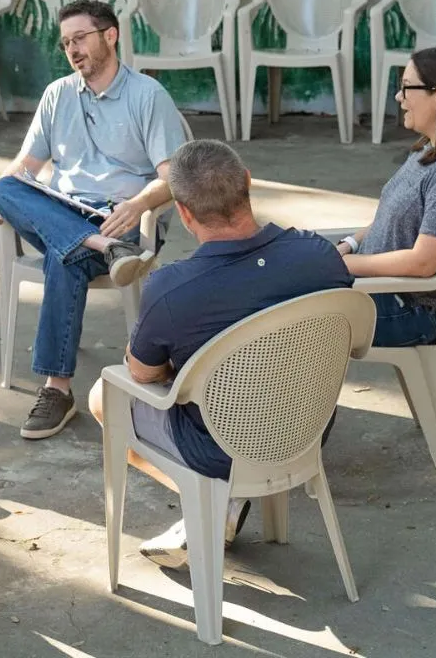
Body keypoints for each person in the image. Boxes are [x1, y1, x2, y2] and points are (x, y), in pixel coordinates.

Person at [86, 139, 353, 568]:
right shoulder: (319, 256)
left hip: (218, 446)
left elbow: (142, 374)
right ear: (247, 182)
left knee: (105, 394)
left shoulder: (171, 289)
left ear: (184, 213)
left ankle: (214, 501)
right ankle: (225, 504)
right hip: (307, 428)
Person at [0, 0, 188, 441]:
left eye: (80, 39)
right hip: (66, 212)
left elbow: (172, 178)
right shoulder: (57, 94)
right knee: (5, 187)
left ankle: (57, 389)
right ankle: (104, 250)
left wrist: (137, 206)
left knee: (64, 257)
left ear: (110, 36)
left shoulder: (148, 96)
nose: (72, 50)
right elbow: (26, 166)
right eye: (66, 43)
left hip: (120, 217)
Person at [335, 46, 436, 346]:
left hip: (405, 309)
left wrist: (340, 266)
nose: (399, 97)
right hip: (371, 290)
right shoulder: (428, 151)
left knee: (276, 305)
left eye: (407, 87)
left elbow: (424, 262)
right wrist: (349, 244)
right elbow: (388, 219)